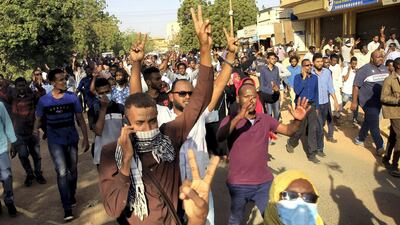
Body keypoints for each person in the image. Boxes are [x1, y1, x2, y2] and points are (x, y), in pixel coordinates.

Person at [99, 6, 217, 225]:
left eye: (152, 120)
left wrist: (205, 48)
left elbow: (199, 99)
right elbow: (113, 208)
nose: (148, 128)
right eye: (140, 123)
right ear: (127, 123)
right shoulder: (110, 154)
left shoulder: (169, 136)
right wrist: (125, 163)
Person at [217, 82, 310, 225]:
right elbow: (220, 136)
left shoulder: (265, 119)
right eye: (246, 96)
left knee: (272, 217)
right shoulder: (230, 120)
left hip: (264, 183)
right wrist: (239, 116)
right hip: (238, 183)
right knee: (236, 219)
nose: (251, 100)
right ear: (238, 99)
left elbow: (288, 130)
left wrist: (297, 121)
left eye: (254, 96)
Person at [34, 68, 90, 221]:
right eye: (60, 80)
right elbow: (38, 119)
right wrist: (36, 132)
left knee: (73, 170)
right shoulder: (44, 101)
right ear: (52, 83)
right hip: (55, 141)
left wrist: (85, 138)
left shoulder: (72, 98)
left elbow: (80, 119)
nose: (64, 82)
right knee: (62, 172)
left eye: (65, 79)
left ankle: (71, 195)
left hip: (72, 139)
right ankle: (67, 208)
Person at [9, 77, 47, 187]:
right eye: (19, 86)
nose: (22, 88)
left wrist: (37, 84)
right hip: (18, 133)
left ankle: (38, 174)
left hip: (32, 131)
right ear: (15, 87)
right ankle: (29, 174)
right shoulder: (12, 99)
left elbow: (43, 94)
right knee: (23, 155)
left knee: (36, 155)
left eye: (23, 85)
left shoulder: (32, 96)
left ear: (27, 85)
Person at [352, 50, 389, 155]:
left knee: (369, 120)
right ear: (372, 58)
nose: (380, 58)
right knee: (374, 124)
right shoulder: (364, 70)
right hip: (368, 102)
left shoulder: (384, 68)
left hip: (380, 101)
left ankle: (360, 138)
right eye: (378, 57)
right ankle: (380, 146)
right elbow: (356, 86)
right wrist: (354, 102)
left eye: (382, 57)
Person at [287, 59, 320, 163]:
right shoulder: (298, 77)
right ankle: (291, 143)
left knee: (312, 129)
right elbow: (297, 90)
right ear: (302, 67)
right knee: (300, 129)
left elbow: (316, 93)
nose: (309, 67)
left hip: (312, 106)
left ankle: (312, 153)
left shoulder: (315, 78)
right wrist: (304, 78)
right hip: (301, 107)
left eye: (310, 65)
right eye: (306, 65)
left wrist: (317, 107)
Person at [92, 77, 124, 167]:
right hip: (103, 154)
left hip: (120, 151)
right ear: (97, 94)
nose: (105, 95)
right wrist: (103, 108)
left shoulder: (120, 108)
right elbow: (98, 131)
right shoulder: (94, 110)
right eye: (101, 93)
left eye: (107, 92)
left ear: (111, 89)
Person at [313, 53, 340, 155]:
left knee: (323, 123)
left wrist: (336, 101)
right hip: (315, 104)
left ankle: (314, 137)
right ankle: (320, 148)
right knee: (320, 127)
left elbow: (330, 87)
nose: (320, 63)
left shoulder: (327, 72)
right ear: (313, 62)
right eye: (318, 61)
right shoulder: (310, 73)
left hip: (326, 102)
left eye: (321, 61)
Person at [381, 57, 400, 177]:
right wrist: (398, 100)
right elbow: (383, 97)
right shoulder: (389, 80)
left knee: (393, 135)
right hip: (394, 112)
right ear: (398, 66)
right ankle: (394, 165)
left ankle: (386, 157)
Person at [0, 101, 17, 217]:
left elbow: (7, 123)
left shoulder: (0, 105)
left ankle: (9, 200)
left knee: (7, 177)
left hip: (1, 148)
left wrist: (13, 142)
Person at [260, 52, 281, 120]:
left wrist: (277, 89)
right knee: (269, 113)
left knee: (277, 112)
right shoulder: (263, 69)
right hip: (268, 95)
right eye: (272, 59)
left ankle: (275, 127)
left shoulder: (277, 68)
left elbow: (278, 80)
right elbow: (262, 84)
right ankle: (270, 127)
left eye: (275, 59)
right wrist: (270, 90)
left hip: (276, 94)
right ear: (268, 60)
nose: (274, 60)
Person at [341, 57, 359, 125]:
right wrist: (349, 70)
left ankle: (355, 119)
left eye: (355, 64)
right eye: (353, 63)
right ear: (350, 63)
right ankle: (336, 115)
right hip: (346, 90)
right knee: (342, 104)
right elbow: (345, 79)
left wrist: (357, 72)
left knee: (355, 106)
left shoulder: (357, 70)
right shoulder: (345, 68)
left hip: (354, 92)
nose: (354, 65)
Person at [329, 54, 343, 118]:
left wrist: (340, 87)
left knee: (338, 100)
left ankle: (337, 115)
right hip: (330, 86)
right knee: (331, 101)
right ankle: (331, 116)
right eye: (333, 60)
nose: (334, 62)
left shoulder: (338, 66)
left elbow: (340, 76)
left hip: (337, 86)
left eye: (336, 61)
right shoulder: (328, 67)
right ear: (330, 60)